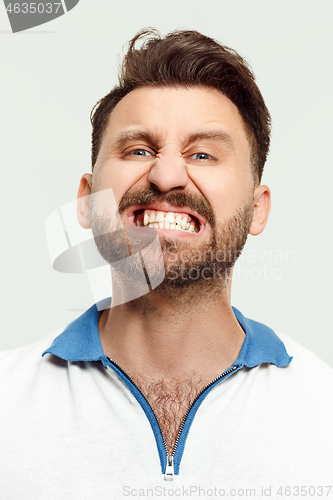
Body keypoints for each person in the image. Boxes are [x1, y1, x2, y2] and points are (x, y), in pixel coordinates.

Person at [1, 28, 332, 499]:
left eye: (202, 154)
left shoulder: (326, 415)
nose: (166, 175)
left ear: (258, 208)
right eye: (138, 150)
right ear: (87, 199)